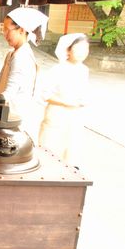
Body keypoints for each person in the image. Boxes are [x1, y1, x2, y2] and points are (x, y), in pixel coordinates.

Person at [0, 7, 49, 141]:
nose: (5, 34)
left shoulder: (22, 57)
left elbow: (8, 93)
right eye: (4, 29)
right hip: (4, 116)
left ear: (21, 30)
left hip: (14, 119)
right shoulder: (11, 55)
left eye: (8, 30)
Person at [38, 33, 90, 166]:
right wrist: (66, 102)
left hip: (75, 117)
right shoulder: (58, 69)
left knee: (70, 152)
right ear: (68, 50)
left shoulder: (84, 70)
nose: (82, 53)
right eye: (78, 49)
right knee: (50, 152)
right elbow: (45, 94)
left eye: (85, 49)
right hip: (56, 115)